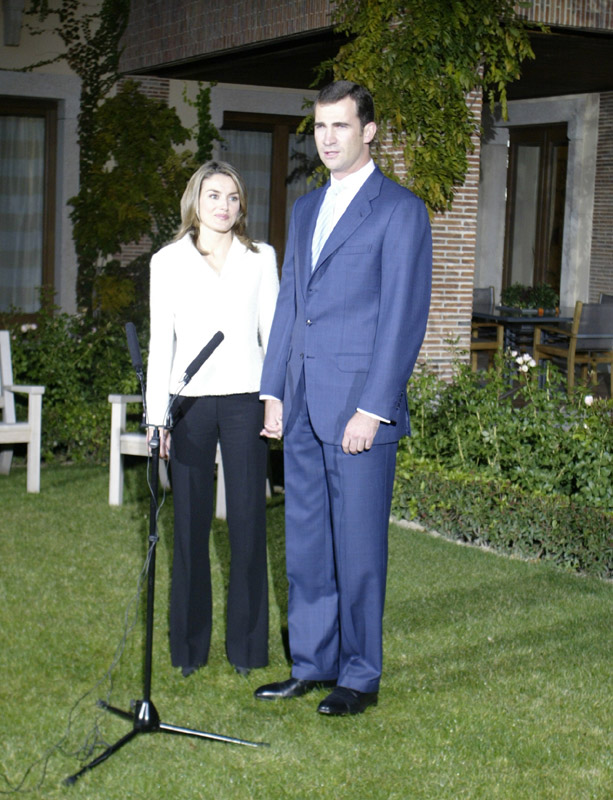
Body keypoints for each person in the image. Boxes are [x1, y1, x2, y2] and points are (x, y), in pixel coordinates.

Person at [254, 81, 432, 715]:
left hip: (359, 410)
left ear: (369, 131)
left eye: (341, 126)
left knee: (358, 552)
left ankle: (359, 677)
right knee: (306, 544)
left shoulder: (400, 210)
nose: (327, 139)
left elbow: (404, 318)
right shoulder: (306, 209)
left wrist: (373, 408)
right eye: (320, 127)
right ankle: (312, 663)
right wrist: (273, 390)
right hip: (302, 404)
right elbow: (290, 304)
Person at [146, 160, 279, 678]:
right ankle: (188, 649)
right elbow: (161, 344)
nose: (223, 206)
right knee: (189, 528)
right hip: (190, 406)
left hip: (246, 401)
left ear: (241, 205)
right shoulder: (167, 261)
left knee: (248, 526)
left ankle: (247, 651)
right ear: (195, 202)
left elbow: (273, 335)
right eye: (213, 196)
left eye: (232, 197)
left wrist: (276, 399)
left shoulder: (260, 258)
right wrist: (156, 417)